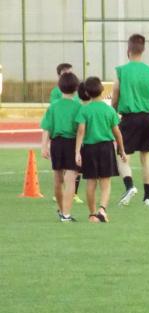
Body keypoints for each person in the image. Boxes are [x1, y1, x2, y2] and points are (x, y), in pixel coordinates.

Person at [112, 33, 149, 207]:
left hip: (129, 119)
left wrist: (112, 115)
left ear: (128, 50)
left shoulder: (121, 71)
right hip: (147, 119)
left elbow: (115, 97)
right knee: (146, 157)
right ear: (143, 50)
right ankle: (147, 198)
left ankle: (130, 186)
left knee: (123, 156)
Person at [75, 77, 127, 222]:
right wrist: (121, 150)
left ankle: (92, 214)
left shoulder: (84, 110)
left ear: (86, 92)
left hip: (89, 149)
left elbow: (80, 131)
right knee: (105, 182)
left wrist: (77, 151)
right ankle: (102, 209)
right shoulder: (109, 110)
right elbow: (117, 132)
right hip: (106, 148)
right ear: (103, 90)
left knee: (91, 182)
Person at [40, 72, 82, 222]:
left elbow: (46, 128)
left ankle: (61, 209)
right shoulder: (79, 106)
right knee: (71, 178)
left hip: (56, 143)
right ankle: (66, 214)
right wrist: (79, 150)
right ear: (76, 88)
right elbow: (81, 129)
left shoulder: (53, 106)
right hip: (71, 142)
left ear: (59, 87)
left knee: (57, 178)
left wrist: (44, 146)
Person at [49, 63, 84, 204]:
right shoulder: (56, 94)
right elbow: (54, 112)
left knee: (76, 167)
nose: (68, 74)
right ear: (59, 76)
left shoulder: (77, 100)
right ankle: (63, 200)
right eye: (65, 72)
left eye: (70, 72)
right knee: (64, 170)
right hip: (63, 136)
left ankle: (73, 194)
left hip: (73, 137)